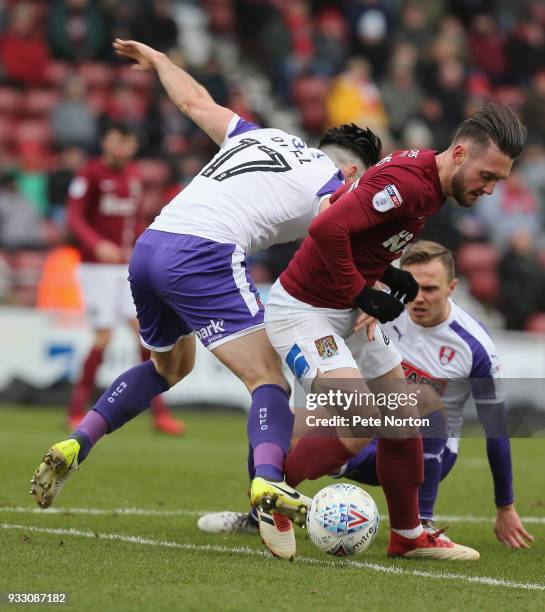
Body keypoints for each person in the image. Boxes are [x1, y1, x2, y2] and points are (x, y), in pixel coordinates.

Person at [29, 39, 383, 561]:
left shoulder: (261, 135)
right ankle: (267, 484)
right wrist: (372, 289)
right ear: (356, 173)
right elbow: (358, 229)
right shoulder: (336, 185)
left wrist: (162, 62)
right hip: (206, 254)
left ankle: (77, 441)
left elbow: (194, 102)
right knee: (268, 379)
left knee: (170, 367)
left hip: (151, 245)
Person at [258, 103, 526, 560]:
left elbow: (363, 232)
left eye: (498, 181)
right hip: (304, 310)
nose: (489, 188)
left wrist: (386, 273)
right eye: (487, 176)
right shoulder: (409, 184)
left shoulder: (428, 185)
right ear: (460, 153)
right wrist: (362, 293)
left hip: (342, 305)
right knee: (363, 417)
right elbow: (326, 229)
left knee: (403, 421)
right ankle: (271, 497)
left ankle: (407, 535)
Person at [200, 241, 534, 550]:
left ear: (452, 288)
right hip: (364, 432)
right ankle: (265, 511)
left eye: (431, 290)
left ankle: (421, 520)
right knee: (275, 420)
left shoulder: (474, 345)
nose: (419, 299)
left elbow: (496, 430)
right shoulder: (381, 309)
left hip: (425, 450)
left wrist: (505, 507)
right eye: (413, 289)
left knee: (417, 396)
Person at [65, 121, 184, 436]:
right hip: (95, 268)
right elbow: (74, 217)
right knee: (103, 337)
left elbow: (135, 219)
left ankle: (158, 412)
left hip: (124, 266)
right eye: (118, 140)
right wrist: (96, 244)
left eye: (129, 142)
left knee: (145, 335)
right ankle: (76, 409)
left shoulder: (133, 176)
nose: (123, 147)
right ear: (105, 141)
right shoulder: (89, 174)